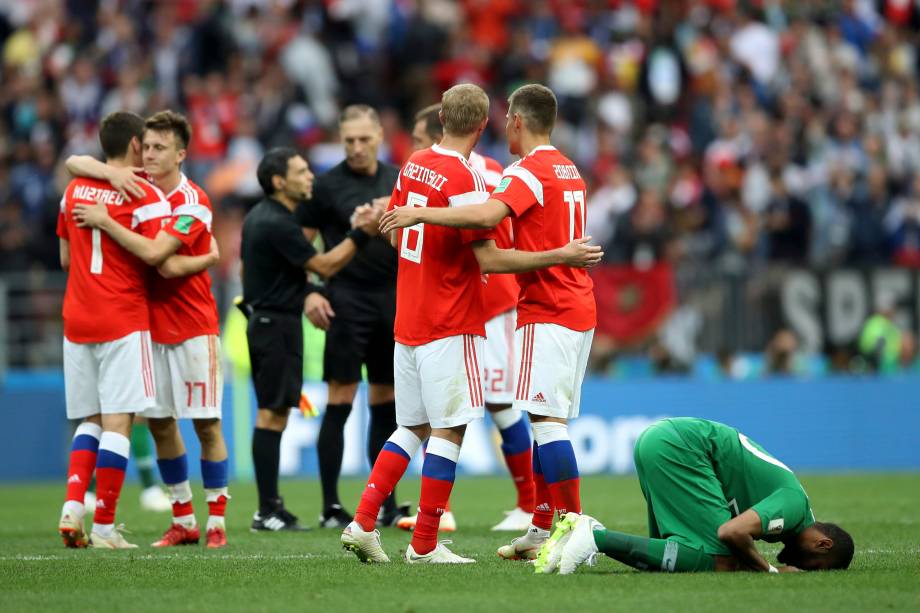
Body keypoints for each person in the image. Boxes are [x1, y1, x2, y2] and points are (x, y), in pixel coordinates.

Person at [341, 83, 602, 565]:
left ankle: (362, 522)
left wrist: (419, 223)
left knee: (412, 426)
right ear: (483, 126)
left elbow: (399, 238)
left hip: (412, 314)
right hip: (454, 316)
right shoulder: (511, 175)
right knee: (456, 428)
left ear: (441, 116)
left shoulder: (412, 164)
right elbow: (489, 258)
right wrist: (563, 255)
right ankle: (425, 545)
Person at [70, 111, 231, 548]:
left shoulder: (192, 201)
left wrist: (106, 222)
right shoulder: (134, 187)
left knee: (207, 424)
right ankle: (184, 519)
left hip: (194, 327)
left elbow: (163, 258)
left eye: (162, 148)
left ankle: (216, 521)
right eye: (148, 146)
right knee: (160, 423)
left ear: (181, 154)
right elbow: (74, 163)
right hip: (147, 328)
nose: (151, 155)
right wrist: (107, 170)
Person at [397, 104, 534, 534]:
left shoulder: (488, 173)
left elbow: (495, 234)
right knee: (448, 409)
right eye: (419, 143)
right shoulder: (431, 168)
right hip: (453, 302)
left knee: (495, 402)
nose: (421, 148)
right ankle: (442, 512)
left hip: (489, 304)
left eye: (423, 139)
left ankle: (529, 503)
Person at [241, 147, 382, 531]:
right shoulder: (277, 222)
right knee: (271, 414)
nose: (310, 178)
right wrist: (360, 232)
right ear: (278, 182)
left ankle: (271, 506)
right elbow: (324, 264)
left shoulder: (264, 217)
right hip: (275, 324)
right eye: (301, 172)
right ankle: (266, 510)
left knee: (277, 412)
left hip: (273, 321)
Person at [56, 111, 173, 549]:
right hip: (123, 316)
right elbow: (158, 259)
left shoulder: (72, 190)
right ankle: (104, 525)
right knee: (119, 422)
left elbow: (66, 260)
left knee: (90, 419)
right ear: (136, 145)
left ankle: (72, 508)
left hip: (77, 316)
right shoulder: (144, 194)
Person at [534, 417, 855, 575]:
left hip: (660, 440)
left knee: (669, 559)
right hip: (682, 448)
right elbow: (731, 532)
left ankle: (579, 533)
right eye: (815, 565)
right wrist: (766, 571)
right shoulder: (794, 505)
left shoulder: (791, 512)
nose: (806, 570)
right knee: (722, 560)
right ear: (822, 543)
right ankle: (595, 537)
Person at [295, 105, 404, 529]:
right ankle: (330, 507)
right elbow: (300, 249)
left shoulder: (399, 179)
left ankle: (388, 506)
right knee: (339, 399)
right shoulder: (325, 187)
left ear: (380, 135)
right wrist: (309, 292)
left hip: (392, 299)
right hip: (345, 299)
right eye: (349, 141)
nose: (357, 148)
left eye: (364, 139)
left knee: (387, 404)